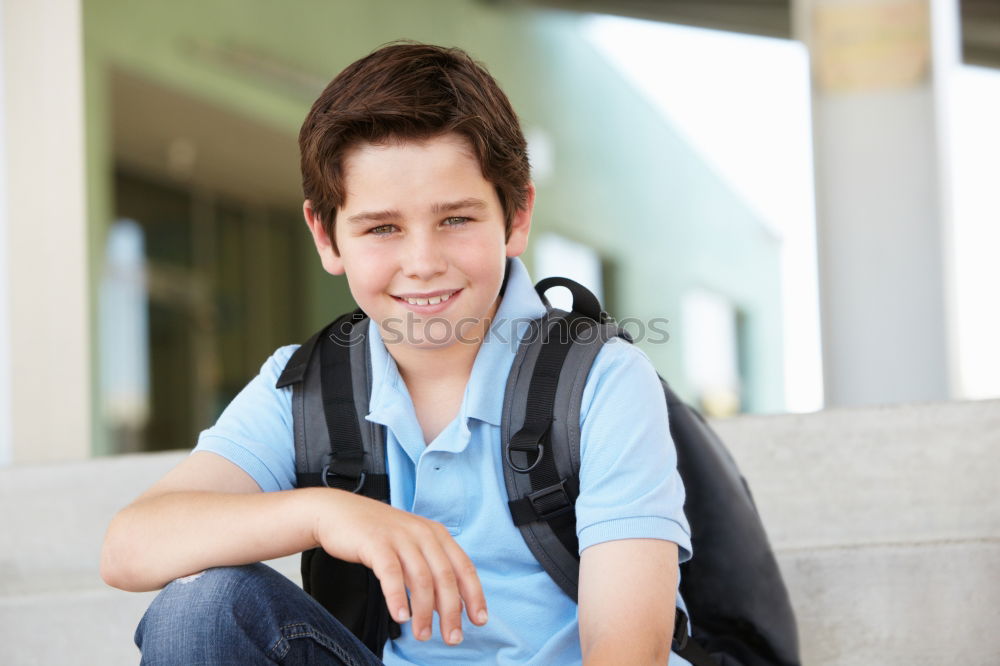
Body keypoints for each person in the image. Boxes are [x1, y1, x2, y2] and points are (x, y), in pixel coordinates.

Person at [101, 42, 693, 665]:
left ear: (516, 216)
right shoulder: (305, 386)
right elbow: (129, 547)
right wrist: (329, 514)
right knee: (205, 607)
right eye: (382, 228)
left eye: (456, 219)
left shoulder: (600, 379)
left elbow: (629, 653)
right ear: (327, 237)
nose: (423, 263)